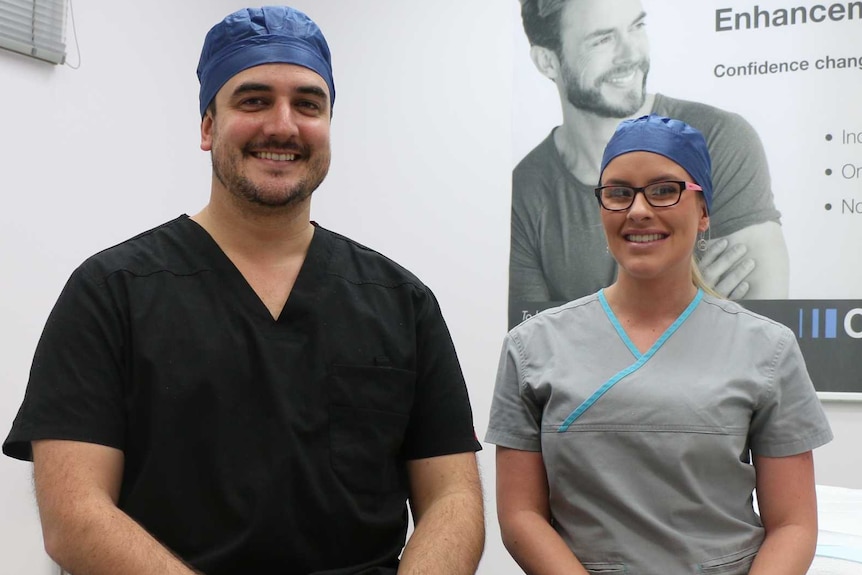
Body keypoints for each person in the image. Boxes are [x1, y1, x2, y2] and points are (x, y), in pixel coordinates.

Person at [3, 7, 484, 575]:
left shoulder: (402, 303)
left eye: (308, 104)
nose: (283, 126)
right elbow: (74, 516)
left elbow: (454, 500)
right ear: (207, 126)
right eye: (253, 100)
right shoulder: (110, 294)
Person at [488, 115, 832, 574]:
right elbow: (520, 516)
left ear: (704, 210)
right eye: (618, 193)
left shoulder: (767, 349)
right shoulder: (531, 347)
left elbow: (793, 525)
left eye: (664, 190)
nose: (638, 210)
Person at [509, 0, 790, 328]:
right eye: (603, 39)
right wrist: (670, 310)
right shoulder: (526, 190)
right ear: (547, 62)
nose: (630, 54)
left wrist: (591, 327)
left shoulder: (719, 139)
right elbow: (539, 360)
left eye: (636, 26)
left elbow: (760, 338)